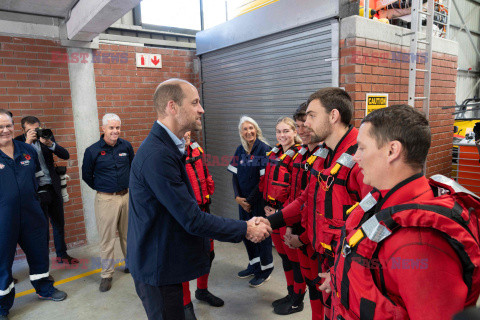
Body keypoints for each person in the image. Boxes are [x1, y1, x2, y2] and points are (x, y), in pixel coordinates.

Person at [127, 78, 271, 320]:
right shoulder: (158, 155)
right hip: (158, 269)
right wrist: (245, 228)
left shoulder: (168, 148)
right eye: (195, 102)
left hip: (164, 262)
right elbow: (192, 219)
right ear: (172, 107)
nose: (201, 109)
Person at [324, 105, 480, 320]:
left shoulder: (419, 244)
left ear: (392, 151)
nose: (355, 157)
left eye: (361, 148)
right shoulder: (380, 201)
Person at [261, 87, 371, 319]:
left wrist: (343, 269)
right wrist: (269, 221)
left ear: (333, 116)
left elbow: (372, 223)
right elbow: (305, 200)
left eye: (312, 116)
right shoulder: (323, 155)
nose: (306, 124)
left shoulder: (360, 158)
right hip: (325, 257)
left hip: (346, 266)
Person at [0, 110, 67, 320]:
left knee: (39, 253)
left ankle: (44, 288)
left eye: (8, 125)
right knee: (2, 262)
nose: (5, 130)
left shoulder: (27, 150)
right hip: (3, 219)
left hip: (31, 214)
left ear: (13, 126)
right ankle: (2, 305)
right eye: (0, 126)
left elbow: (39, 178)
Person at [82, 113, 134, 292]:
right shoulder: (92, 151)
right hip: (106, 199)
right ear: (103, 128)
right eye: (111, 128)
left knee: (129, 235)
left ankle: (131, 265)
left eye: (117, 127)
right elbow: (86, 175)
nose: (115, 131)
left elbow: (133, 167)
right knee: (107, 239)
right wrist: (103, 187)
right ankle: (106, 274)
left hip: (126, 197)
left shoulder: (126, 146)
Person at [15, 116, 78, 265]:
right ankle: (43, 264)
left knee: (59, 224)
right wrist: (28, 143)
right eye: (30, 130)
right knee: (41, 230)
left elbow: (65, 155)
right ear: (23, 130)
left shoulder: (46, 136)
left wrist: (50, 144)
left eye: (37, 128)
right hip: (36, 192)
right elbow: (17, 165)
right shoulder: (17, 142)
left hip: (53, 188)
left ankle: (62, 255)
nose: (35, 132)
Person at [282, 102, 324, 319]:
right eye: (298, 126)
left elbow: (320, 207)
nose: (302, 131)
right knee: (308, 279)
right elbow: (295, 197)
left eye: (306, 125)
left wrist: (305, 238)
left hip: (314, 238)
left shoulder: (325, 158)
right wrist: (288, 226)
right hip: (298, 231)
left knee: (320, 286)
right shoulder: (298, 155)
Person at [261, 117, 306, 315]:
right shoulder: (274, 153)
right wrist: (267, 208)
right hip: (274, 215)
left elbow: (297, 193)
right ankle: (290, 293)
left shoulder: (299, 157)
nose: (282, 135)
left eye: (286, 131)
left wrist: (285, 220)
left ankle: (298, 300)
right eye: (279, 131)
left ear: (295, 132)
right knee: (284, 258)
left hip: (287, 218)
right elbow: (266, 184)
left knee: (296, 261)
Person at [181, 131, 223, 320]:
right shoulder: (170, 154)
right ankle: (185, 305)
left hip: (204, 210)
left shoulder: (197, 149)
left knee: (208, 253)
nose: (186, 134)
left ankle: (202, 290)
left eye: (188, 131)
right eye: (182, 131)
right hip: (184, 215)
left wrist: (209, 185)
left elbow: (204, 172)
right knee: (183, 260)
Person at [228, 116, 274, 288]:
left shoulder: (264, 149)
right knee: (247, 234)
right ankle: (254, 265)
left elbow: (264, 181)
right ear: (241, 132)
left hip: (258, 202)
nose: (248, 132)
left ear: (257, 130)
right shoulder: (240, 150)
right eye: (245, 129)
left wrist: (249, 201)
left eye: (251, 128)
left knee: (262, 235)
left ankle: (266, 270)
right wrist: (237, 198)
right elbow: (234, 175)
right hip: (243, 202)